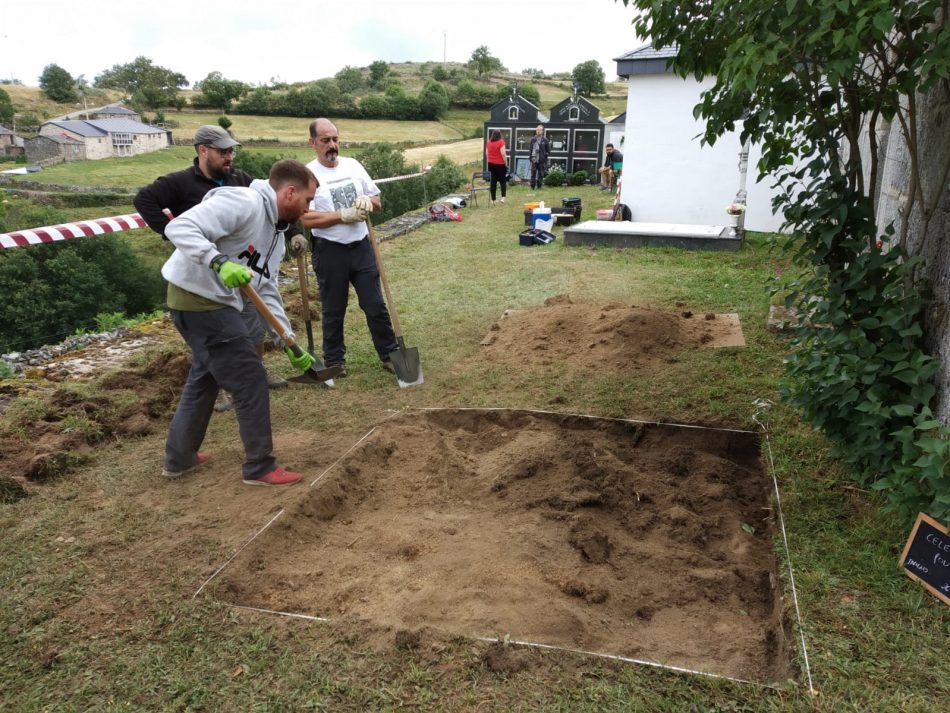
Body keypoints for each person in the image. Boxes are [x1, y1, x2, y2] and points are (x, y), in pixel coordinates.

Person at [160, 159, 319, 487]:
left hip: (211, 304)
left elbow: (266, 288)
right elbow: (178, 228)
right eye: (308, 200)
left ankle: (180, 458)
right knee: (249, 378)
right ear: (289, 192)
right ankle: (260, 466)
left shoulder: (275, 233)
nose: (308, 208)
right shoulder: (243, 202)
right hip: (199, 299)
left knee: (205, 377)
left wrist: (286, 338)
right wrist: (216, 261)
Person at [134, 125, 300, 412]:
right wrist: (171, 233)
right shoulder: (182, 182)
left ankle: (253, 375)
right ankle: (227, 388)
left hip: (243, 272)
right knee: (220, 342)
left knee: (251, 327)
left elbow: (275, 210)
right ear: (202, 150)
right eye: (223, 151)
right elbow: (144, 200)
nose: (230, 157)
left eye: (231, 150)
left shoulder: (238, 179)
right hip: (206, 277)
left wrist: (292, 229)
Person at [290, 118, 398, 378]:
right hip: (330, 251)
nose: (332, 145)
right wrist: (343, 215)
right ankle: (334, 361)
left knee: (375, 305)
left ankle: (391, 355)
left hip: (361, 247)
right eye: (325, 140)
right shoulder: (307, 175)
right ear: (312, 143)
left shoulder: (353, 166)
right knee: (333, 308)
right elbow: (307, 219)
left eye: (335, 139)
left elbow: (377, 200)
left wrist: (368, 203)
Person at [485, 129, 508, 205]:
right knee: (502, 181)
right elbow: (503, 154)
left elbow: (486, 153)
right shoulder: (501, 142)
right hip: (500, 164)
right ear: (499, 135)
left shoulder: (488, 142)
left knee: (493, 181)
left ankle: (493, 200)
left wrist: (489, 161)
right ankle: (503, 198)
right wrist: (506, 163)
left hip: (491, 164)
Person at [528, 124, 550, 190]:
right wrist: (530, 157)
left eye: (539, 130)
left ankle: (539, 187)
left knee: (541, 174)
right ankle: (532, 186)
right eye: (537, 130)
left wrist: (545, 156)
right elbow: (530, 149)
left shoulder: (545, 140)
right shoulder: (533, 139)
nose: (538, 131)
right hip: (534, 159)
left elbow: (548, 150)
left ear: (542, 131)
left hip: (541, 160)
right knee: (533, 174)